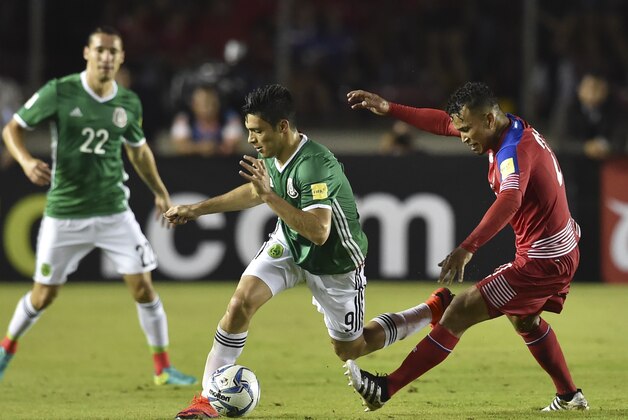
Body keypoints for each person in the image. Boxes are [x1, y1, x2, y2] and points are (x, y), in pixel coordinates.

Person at [164, 84, 453, 419]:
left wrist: (271, 197)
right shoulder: (273, 153)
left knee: (351, 349)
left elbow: (318, 231)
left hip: (335, 261)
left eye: (257, 132)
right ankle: (206, 400)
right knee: (241, 303)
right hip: (289, 243)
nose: (252, 140)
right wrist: (197, 209)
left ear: (282, 127)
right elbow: (256, 193)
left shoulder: (315, 164)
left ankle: (429, 310)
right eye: (249, 131)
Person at [343, 83, 589, 412]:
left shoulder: (511, 150)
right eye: (460, 128)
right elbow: (442, 122)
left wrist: (467, 247)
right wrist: (390, 108)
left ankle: (385, 389)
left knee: (458, 311)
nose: (461, 136)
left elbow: (511, 199)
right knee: (525, 321)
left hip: (542, 260)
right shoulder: (506, 128)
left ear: (488, 119)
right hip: (558, 248)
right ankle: (569, 396)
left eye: (466, 128)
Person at [0, 26, 196, 386]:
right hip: (64, 213)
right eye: (100, 50)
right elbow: (12, 129)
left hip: (113, 212)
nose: (106, 57)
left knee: (143, 288)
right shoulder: (60, 91)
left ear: (120, 58)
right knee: (43, 296)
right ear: (87, 53)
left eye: (113, 52)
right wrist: (27, 161)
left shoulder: (128, 102)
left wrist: (159, 191)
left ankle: (162, 368)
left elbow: (138, 151)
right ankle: (5, 349)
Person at [565, 71, 627, 159]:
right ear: (579, 88)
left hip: (606, 161)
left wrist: (605, 147)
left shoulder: (616, 109)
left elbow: (620, 139)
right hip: (573, 161)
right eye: (589, 87)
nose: (592, 93)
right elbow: (559, 140)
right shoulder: (568, 108)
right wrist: (584, 147)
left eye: (597, 88)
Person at [170, 85, 244, 157]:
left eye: (211, 102)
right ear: (193, 104)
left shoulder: (229, 118)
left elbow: (231, 148)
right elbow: (181, 148)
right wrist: (202, 148)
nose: (208, 107)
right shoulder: (184, 118)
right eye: (203, 102)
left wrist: (212, 148)